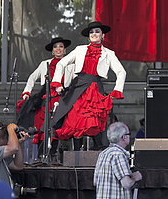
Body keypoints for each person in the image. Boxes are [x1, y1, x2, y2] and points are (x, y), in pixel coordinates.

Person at [51, 21, 126, 150]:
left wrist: (117, 90)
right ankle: (76, 154)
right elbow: (61, 63)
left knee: (95, 120)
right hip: (78, 86)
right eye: (91, 32)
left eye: (97, 31)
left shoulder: (109, 53)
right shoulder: (80, 49)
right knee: (75, 120)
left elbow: (121, 72)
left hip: (95, 88)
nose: (94, 34)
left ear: (103, 35)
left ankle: (97, 153)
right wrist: (57, 83)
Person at [17, 36, 71, 155]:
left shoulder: (70, 63)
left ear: (65, 50)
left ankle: (54, 154)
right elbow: (32, 77)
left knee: (57, 126)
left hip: (63, 97)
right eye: (55, 47)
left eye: (61, 46)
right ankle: (42, 155)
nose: (58, 49)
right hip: (46, 96)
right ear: (52, 51)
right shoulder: (45, 64)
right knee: (43, 126)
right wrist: (27, 92)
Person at [94, 122, 142, 199]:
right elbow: (126, 184)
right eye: (129, 134)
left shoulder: (103, 154)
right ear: (124, 137)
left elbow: (95, 182)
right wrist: (135, 177)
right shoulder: (118, 155)